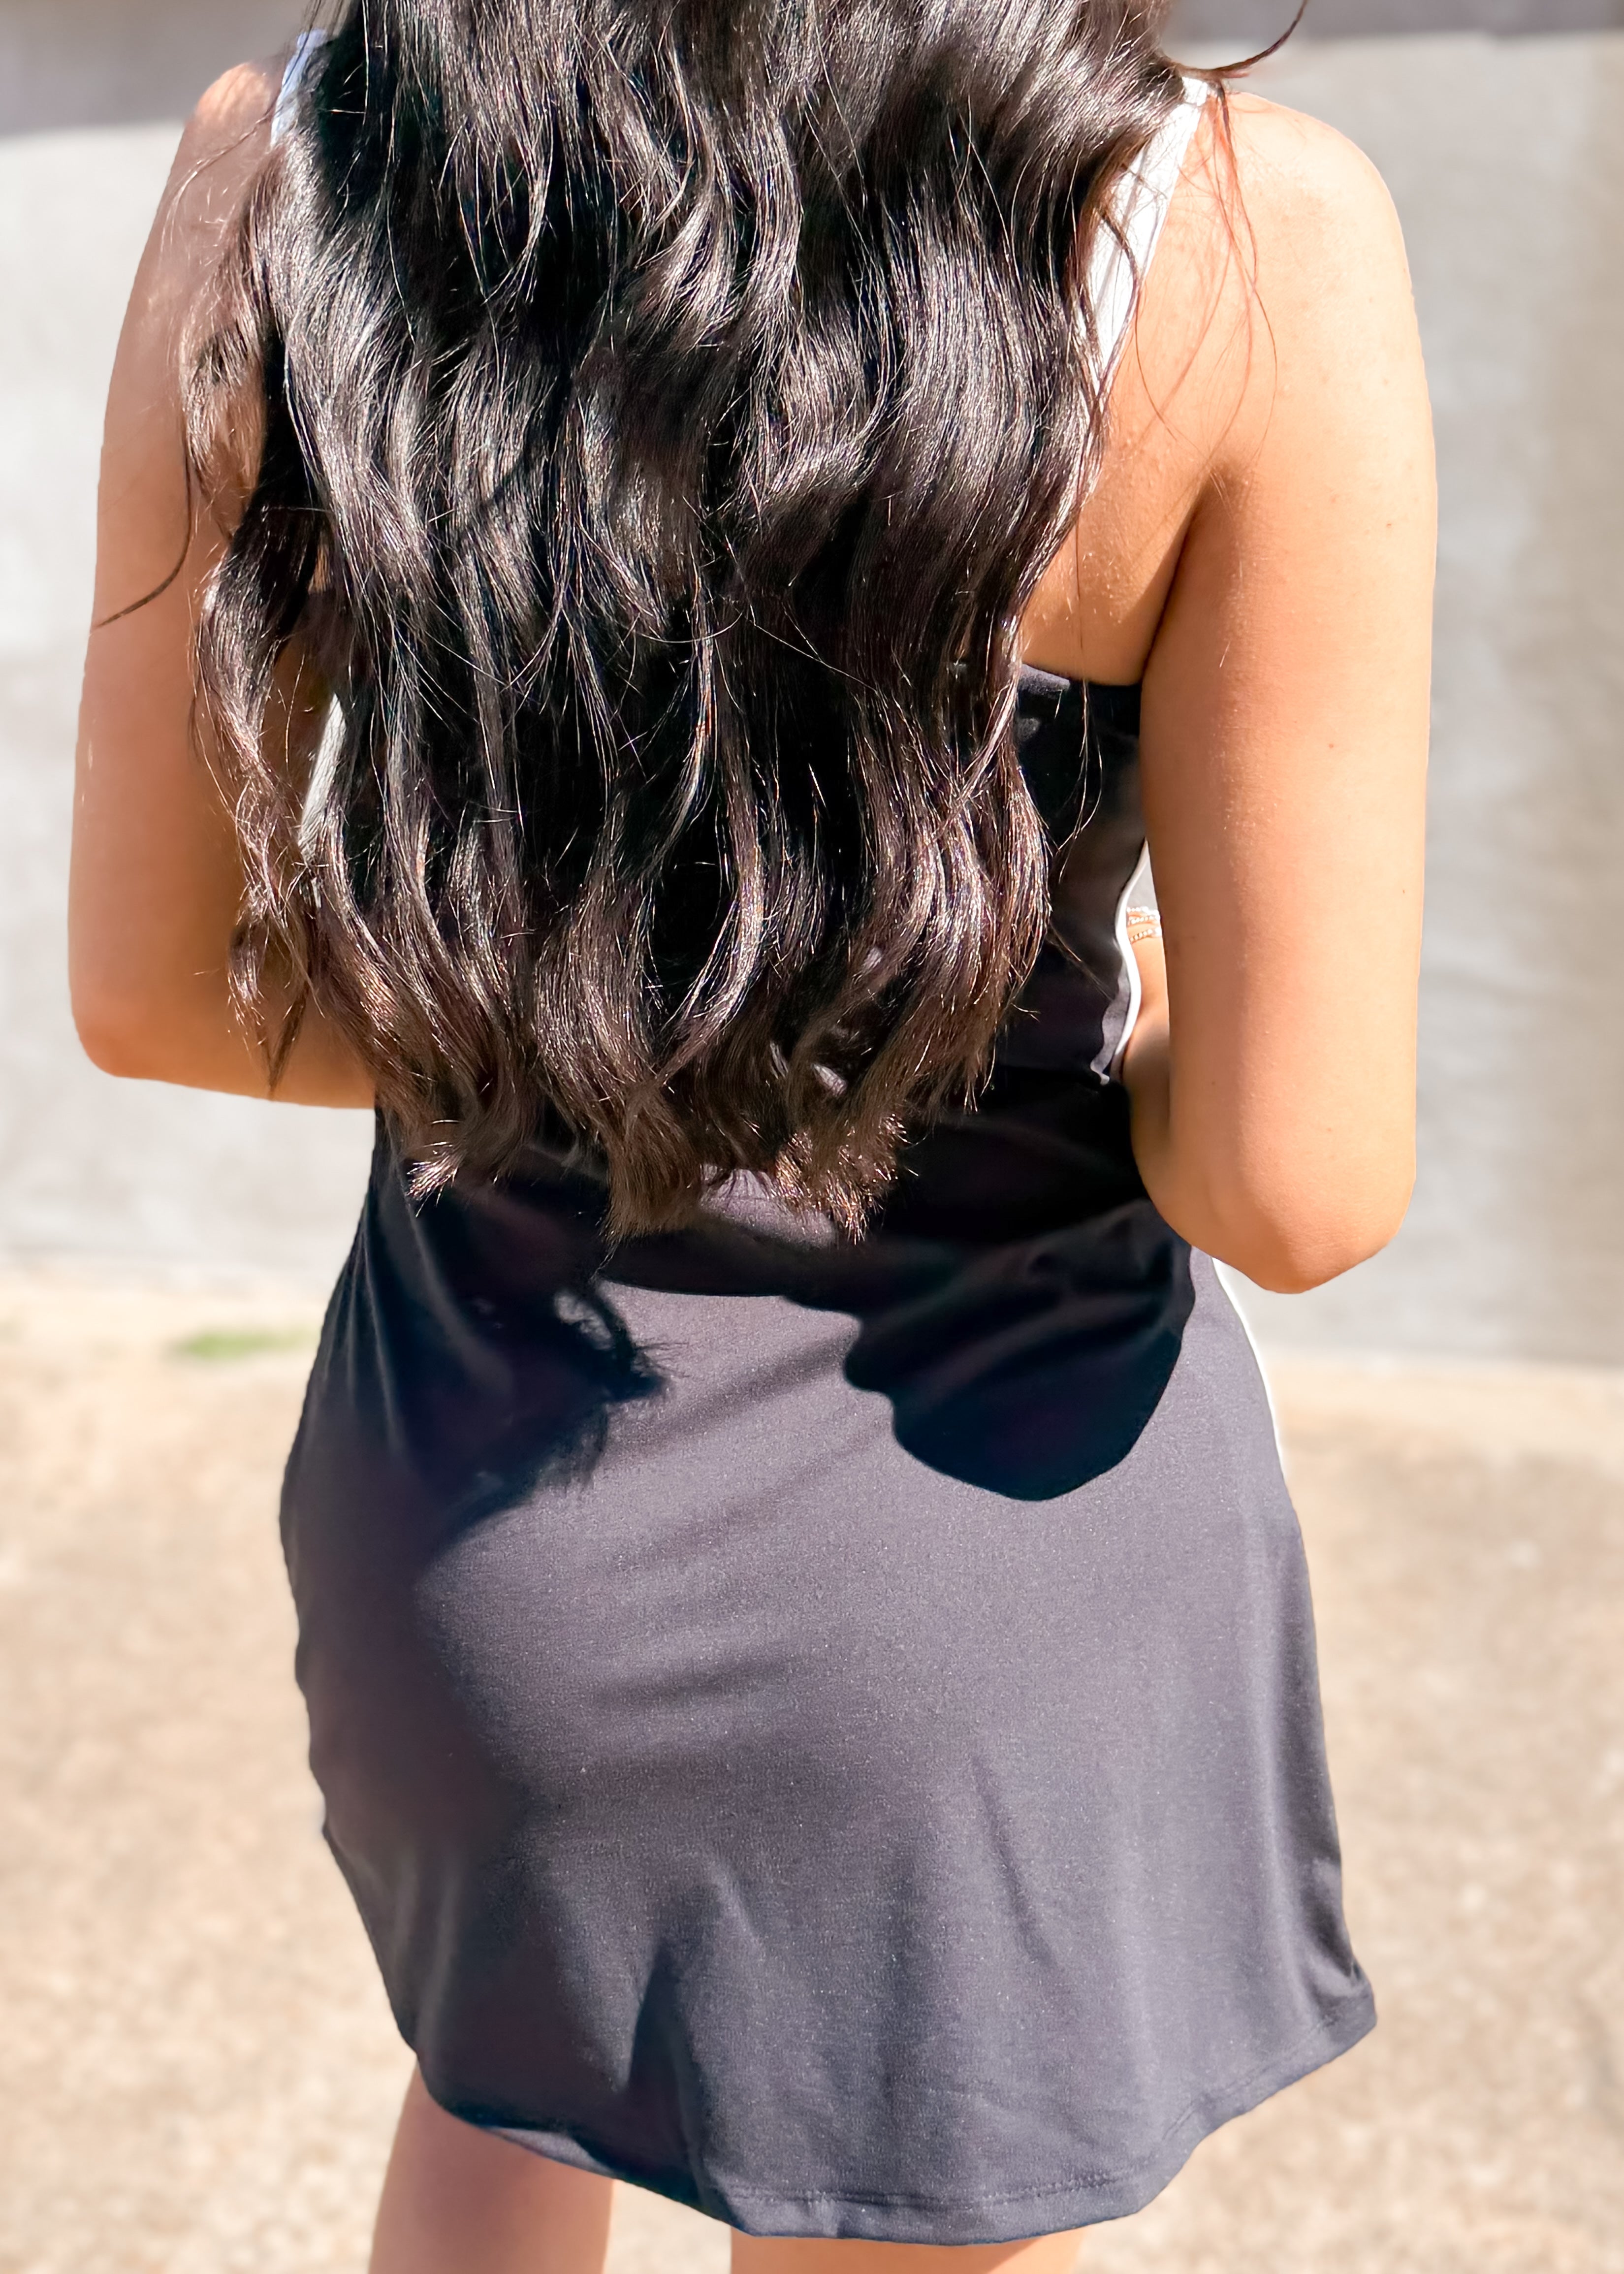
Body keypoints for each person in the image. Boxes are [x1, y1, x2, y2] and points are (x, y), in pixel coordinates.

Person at [69, 3, 1434, 2270]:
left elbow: (155, 986)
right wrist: (1089, 1017)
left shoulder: (297, 155)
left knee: (502, 2089)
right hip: (959, 1591)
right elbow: (1297, 1184)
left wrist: (599, 1032)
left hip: (480, 1544)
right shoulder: (1238, 231)